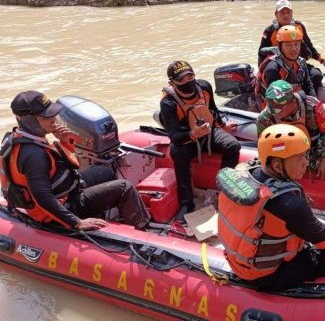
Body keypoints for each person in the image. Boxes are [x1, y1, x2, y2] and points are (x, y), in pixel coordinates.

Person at [216, 124, 325, 291]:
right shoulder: (290, 204)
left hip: (239, 261)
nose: (307, 163)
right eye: (300, 159)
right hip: (268, 277)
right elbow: (324, 240)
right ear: (277, 166)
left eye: (305, 155)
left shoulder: (246, 173)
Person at [0, 91, 150, 231]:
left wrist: (65, 142)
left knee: (104, 171)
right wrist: (76, 222)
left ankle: (103, 218)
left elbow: (66, 167)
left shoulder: (22, 138)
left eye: (53, 114)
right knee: (125, 188)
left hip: (65, 190)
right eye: (47, 117)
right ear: (29, 121)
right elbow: (43, 198)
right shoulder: (34, 155)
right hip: (61, 206)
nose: (54, 120)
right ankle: (143, 231)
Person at [256, 80, 325, 227]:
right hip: (284, 160)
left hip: (312, 153)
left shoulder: (312, 106)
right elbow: (263, 147)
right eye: (271, 107)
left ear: (291, 103)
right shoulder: (265, 117)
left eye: (278, 108)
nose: (273, 112)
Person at [159, 61, 241, 222]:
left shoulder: (204, 87)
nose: (187, 82)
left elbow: (212, 110)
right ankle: (186, 202)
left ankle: (224, 192)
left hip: (208, 131)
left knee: (233, 145)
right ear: (172, 83)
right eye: (182, 80)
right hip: (185, 137)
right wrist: (193, 134)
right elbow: (174, 137)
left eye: (190, 77)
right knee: (177, 152)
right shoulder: (168, 103)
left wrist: (223, 125)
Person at [257, 0, 325, 93]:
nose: (286, 15)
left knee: (316, 75)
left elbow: (308, 46)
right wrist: (262, 70)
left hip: (297, 63)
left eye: (288, 12)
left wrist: (322, 61)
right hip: (279, 64)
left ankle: (306, 99)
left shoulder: (299, 27)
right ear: (276, 14)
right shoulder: (269, 31)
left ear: (292, 13)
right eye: (282, 12)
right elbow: (261, 52)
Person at [255, 26, 316, 110]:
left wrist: (315, 105)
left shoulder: (301, 63)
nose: (294, 49)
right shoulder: (272, 68)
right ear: (280, 46)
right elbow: (277, 101)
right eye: (288, 45)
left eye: (296, 44)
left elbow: (308, 86)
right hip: (274, 109)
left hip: (294, 102)